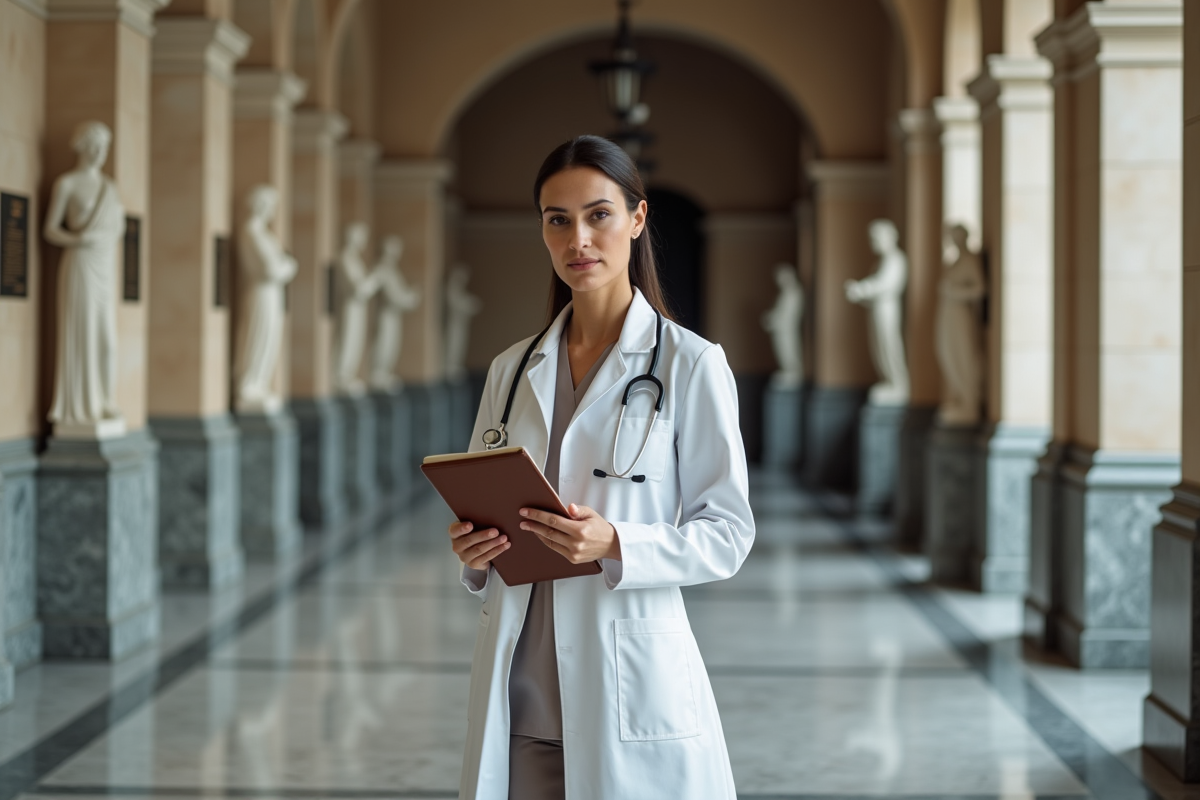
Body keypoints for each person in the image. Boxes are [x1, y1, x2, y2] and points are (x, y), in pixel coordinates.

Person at [446, 135, 755, 800]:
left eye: (598, 215)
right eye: (557, 220)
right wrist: (473, 551)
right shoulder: (510, 370)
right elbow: (483, 521)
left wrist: (616, 542)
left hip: (627, 687)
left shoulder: (690, 364)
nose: (577, 239)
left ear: (638, 220)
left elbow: (728, 535)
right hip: (519, 699)